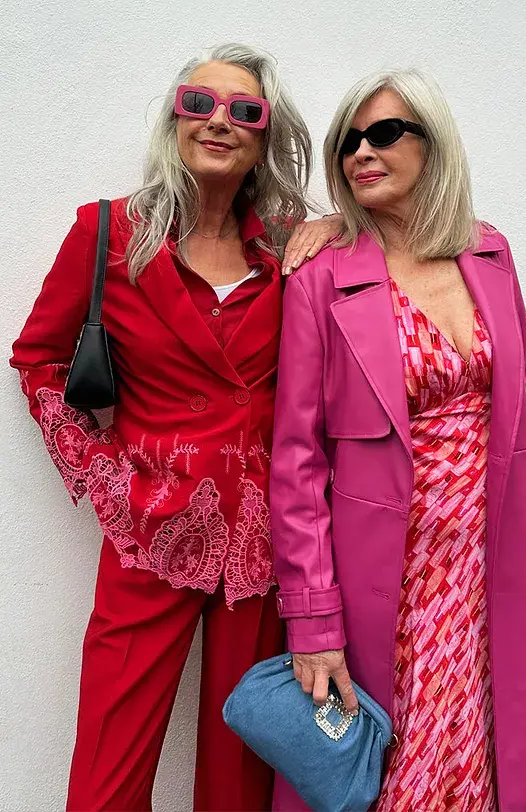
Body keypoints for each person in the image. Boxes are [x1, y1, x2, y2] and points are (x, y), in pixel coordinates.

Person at [10, 42, 340, 812]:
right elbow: (38, 360)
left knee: (241, 772)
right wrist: (106, 480)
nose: (218, 120)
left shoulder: (292, 246)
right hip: (151, 532)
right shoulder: (110, 234)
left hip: (261, 547)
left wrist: (338, 228)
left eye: (244, 111)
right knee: (109, 768)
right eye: (200, 103)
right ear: (174, 118)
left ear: (265, 136)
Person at [269, 68, 526, 812]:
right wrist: (313, 619)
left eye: (383, 134)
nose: (360, 153)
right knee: (390, 766)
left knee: (496, 752)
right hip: (392, 576)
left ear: (433, 147)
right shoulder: (322, 275)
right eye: (347, 141)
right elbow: (297, 457)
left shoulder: (489, 254)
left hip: (497, 561)